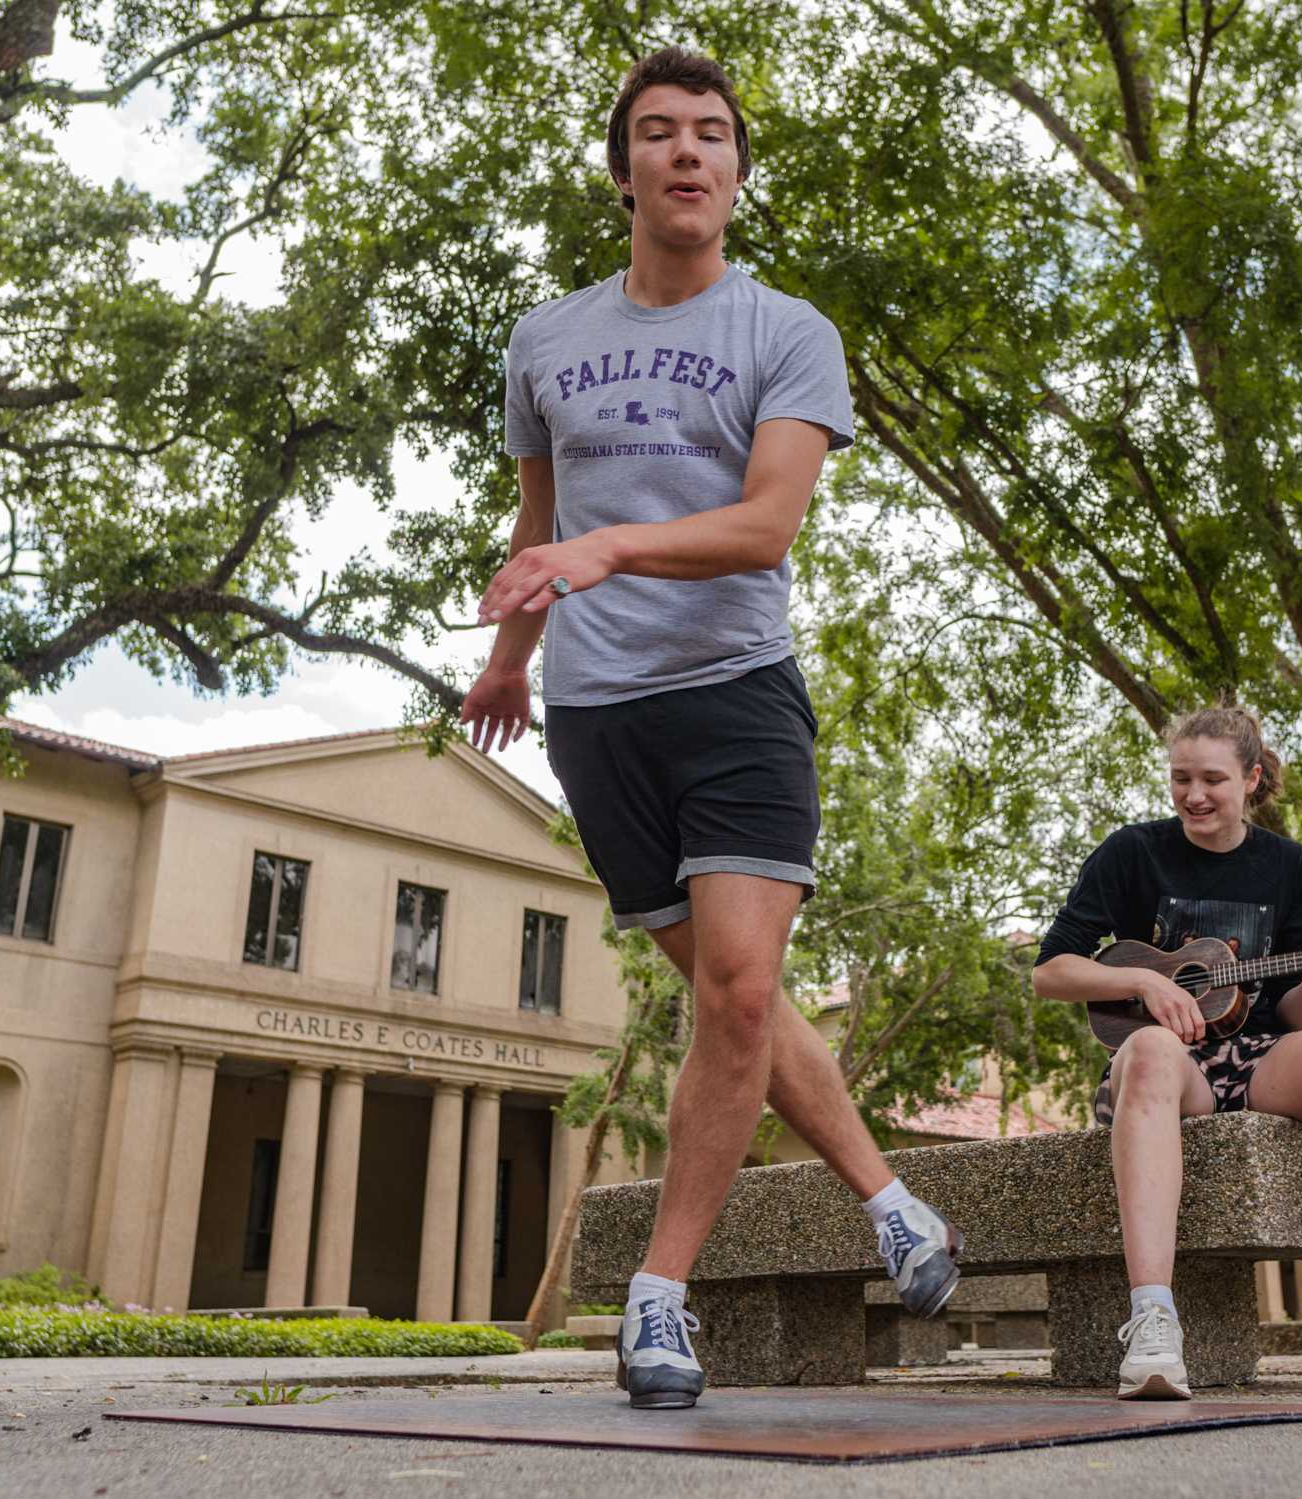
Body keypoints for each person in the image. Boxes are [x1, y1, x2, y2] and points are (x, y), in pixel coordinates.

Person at [459, 46, 962, 1411]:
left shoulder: (784, 330)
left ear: (735, 174)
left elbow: (764, 525)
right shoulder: (544, 339)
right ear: (623, 167)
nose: (686, 152)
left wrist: (608, 550)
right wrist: (512, 657)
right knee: (730, 1001)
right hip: (597, 713)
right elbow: (537, 527)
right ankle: (890, 1198)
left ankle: (658, 1298)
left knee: (738, 985)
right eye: (658, 133)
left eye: (711, 135)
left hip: (736, 687)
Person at [1031, 706, 1302, 1398]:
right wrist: (1139, 979)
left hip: (1255, 1055)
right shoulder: (1132, 852)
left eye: (1213, 779)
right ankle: (1155, 1320)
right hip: (1162, 1071)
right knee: (1154, 1047)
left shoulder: (1284, 865)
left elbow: (1288, 1012)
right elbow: (1050, 972)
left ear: (1252, 778)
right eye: (1181, 778)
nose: (1194, 794)